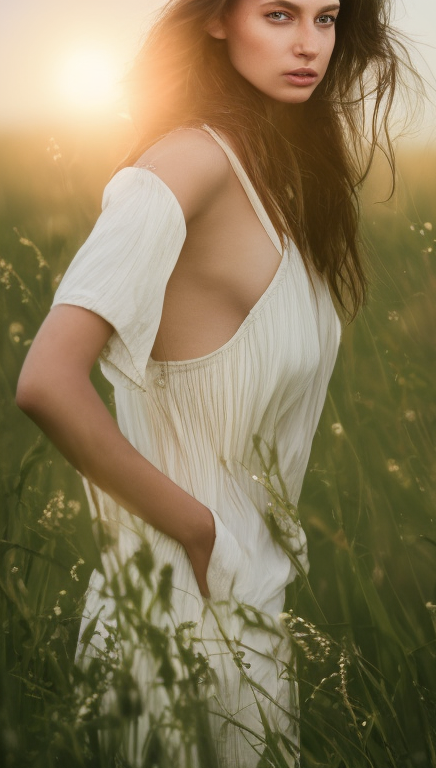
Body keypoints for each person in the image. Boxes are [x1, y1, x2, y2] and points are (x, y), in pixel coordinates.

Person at [16, 0, 413, 765]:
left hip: (248, 612)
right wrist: (199, 532)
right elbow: (47, 379)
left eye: (326, 18)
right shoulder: (184, 164)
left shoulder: (278, 174)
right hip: (175, 612)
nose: (308, 45)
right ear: (216, 19)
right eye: (278, 14)